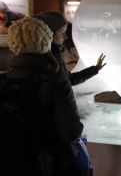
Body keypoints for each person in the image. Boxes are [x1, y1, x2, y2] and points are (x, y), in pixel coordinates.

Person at [4, 17, 86, 175]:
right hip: (46, 163)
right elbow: (70, 132)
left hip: (10, 162)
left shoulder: (3, 81)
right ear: (46, 40)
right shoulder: (55, 81)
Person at [34, 11, 106, 86]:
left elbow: (68, 79)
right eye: (62, 33)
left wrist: (95, 69)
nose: (65, 36)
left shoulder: (54, 54)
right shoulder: (47, 59)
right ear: (50, 33)